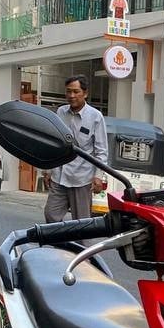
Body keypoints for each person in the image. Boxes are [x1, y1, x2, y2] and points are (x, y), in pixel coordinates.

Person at [43, 75, 107, 223]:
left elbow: (101, 151)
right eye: (68, 91)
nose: (72, 96)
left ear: (85, 93)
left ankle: (78, 239)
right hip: (59, 176)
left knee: (81, 222)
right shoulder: (60, 112)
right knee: (51, 214)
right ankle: (61, 238)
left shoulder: (96, 117)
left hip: (81, 179)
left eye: (76, 91)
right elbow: (54, 144)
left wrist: (98, 176)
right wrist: (48, 170)